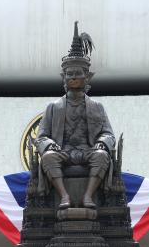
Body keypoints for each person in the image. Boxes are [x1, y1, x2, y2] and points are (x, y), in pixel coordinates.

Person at [35, 22, 116, 209]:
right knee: (48, 157)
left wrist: (101, 143)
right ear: (63, 77)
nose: (73, 77)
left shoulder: (97, 107)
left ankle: (88, 196)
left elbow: (108, 134)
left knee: (102, 155)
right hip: (62, 152)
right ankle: (64, 196)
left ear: (86, 77)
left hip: (88, 151)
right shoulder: (53, 107)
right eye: (69, 74)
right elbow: (41, 137)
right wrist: (50, 145)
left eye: (77, 73)